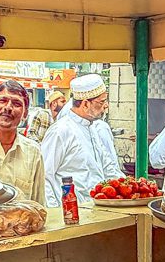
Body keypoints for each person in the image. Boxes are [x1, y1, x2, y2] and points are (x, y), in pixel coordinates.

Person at [41, 74, 120, 206]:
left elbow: (107, 167)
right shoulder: (60, 131)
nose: (105, 106)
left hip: (96, 211)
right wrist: (54, 214)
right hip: (70, 213)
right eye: (101, 102)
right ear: (85, 104)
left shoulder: (92, 128)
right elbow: (44, 177)